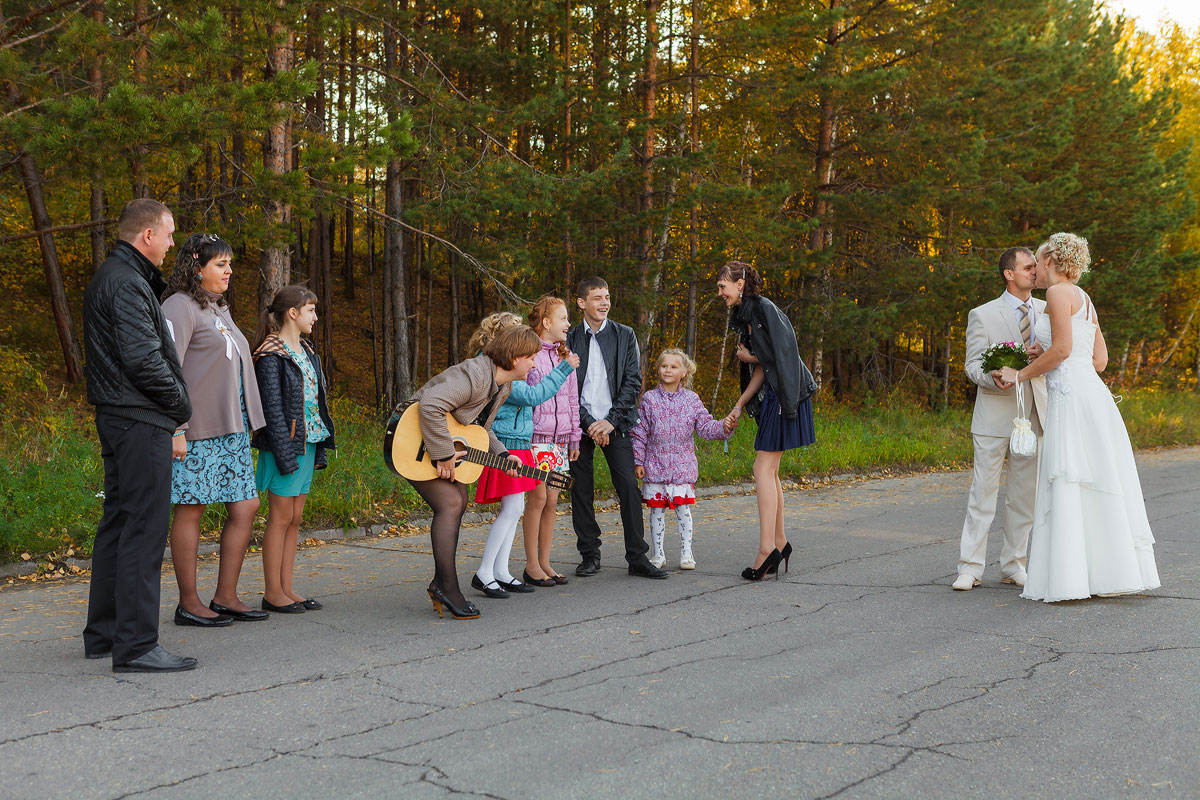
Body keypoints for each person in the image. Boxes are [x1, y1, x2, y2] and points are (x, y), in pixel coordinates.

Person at [999, 233, 1160, 601]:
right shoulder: (1085, 299)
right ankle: (1104, 573)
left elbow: (1064, 349)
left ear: (1051, 261)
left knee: (1071, 477)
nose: (1035, 269)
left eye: (1038, 261)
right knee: (1096, 477)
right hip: (1092, 395)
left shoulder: (1056, 294)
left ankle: (1073, 576)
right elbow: (1098, 360)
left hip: (1070, 397)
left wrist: (1020, 373)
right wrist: (1050, 352)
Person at [82, 198, 196, 673]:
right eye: (168, 235)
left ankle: (105, 634)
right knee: (144, 529)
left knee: (120, 523)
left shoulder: (118, 276)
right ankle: (135, 646)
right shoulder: (127, 282)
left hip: (121, 414)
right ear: (147, 235)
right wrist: (181, 406)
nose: (172, 244)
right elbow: (144, 360)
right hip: (138, 417)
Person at [162, 234, 268, 627]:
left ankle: (225, 596)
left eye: (229, 264)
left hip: (231, 429)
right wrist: (176, 426)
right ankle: (188, 602)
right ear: (196, 267)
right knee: (191, 509)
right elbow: (167, 369)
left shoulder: (217, 309)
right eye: (220, 264)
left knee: (246, 506)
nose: (229, 271)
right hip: (195, 430)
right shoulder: (179, 306)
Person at [406, 325, 540, 618]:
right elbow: (429, 404)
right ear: (515, 357)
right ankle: (447, 587)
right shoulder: (477, 376)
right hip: (412, 440)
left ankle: (444, 584)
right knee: (452, 503)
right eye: (531, 357)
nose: (534, 363)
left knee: (458, 501)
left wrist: (502, 454)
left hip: (431, 441)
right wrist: (442, 454)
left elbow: (479, 428)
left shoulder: (501, 385)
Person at [952, 247, 1048, 591]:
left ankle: (1013, 564)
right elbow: (972, 364)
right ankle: (970, 567)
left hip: (1034, 414)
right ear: (1009, 274)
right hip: (994, 415)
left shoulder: (1047, 311)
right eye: (1028, 267)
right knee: (983, 494)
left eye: (1035, 267)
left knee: (1024, 496)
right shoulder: (982, 314)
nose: (1035, 272)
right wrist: (989, 374)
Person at [467, 310, 578, 598]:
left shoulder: (509, 364)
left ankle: (500, 571)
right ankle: (484, 572)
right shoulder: (499, 367)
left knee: (514, 509)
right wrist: (564, 369)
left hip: (520, 441)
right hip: (504, 442)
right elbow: (532, 396)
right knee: (512, 509)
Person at [718, 262, 816, 580]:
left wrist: (751, 357)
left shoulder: (762, 309)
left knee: (762, 469)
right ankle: (779, 542)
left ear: (741, 283)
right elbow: (764, 368)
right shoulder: (748, 314)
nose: (720, 292)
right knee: (769, 471)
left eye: (723, 286)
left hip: (786, 394)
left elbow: (786, 353)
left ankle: (766, 551)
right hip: (775, 393)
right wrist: (739, 404)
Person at [567, 277, 668, 579]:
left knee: (627, 486)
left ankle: (637, 557)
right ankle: (589, 554)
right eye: (596, 297)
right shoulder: (569, 339)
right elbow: (567, 387)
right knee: (581, 490)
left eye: (607, 296)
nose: (604, 302)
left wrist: (609, 421)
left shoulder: (625, 335)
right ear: (581, 303)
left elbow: (632, 382)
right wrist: (589, 424)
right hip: (580, 425)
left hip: (617, 422)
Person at [251, 286, 336, 614]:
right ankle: (273, 592)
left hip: (309, 440)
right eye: (311, 310)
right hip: (285, 445)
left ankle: (287, 588)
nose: (315, 317)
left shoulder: (306, 348)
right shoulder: (271, 353)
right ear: (293, 313)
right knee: (281, 516)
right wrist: (284, 454)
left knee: (295, 517)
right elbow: (272, 409)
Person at [632, 349, 732, 570]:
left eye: (673, 366)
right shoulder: (649, 399)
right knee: (656, 511)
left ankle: (686, 553)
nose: (668, 370)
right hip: (655, 465)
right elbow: (640, 432)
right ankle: (658, 554)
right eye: (664, 366)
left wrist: (723, 426)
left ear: (684, 372)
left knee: (683, 511)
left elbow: (706, 427)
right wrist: (638, 461)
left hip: (682, 467)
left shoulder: (691, 400)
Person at [522, 295, 582, 587]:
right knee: (538, 498)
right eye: (563, 318)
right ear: (546, 323)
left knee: (553, 500)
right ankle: (531, 564)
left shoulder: (564, 356)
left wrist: (574, 437)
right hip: (536, 438)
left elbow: (572, 400)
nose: (568, 323)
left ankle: (545, 562)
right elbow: (532, 392)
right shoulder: (529, 353)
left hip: (558, 441)